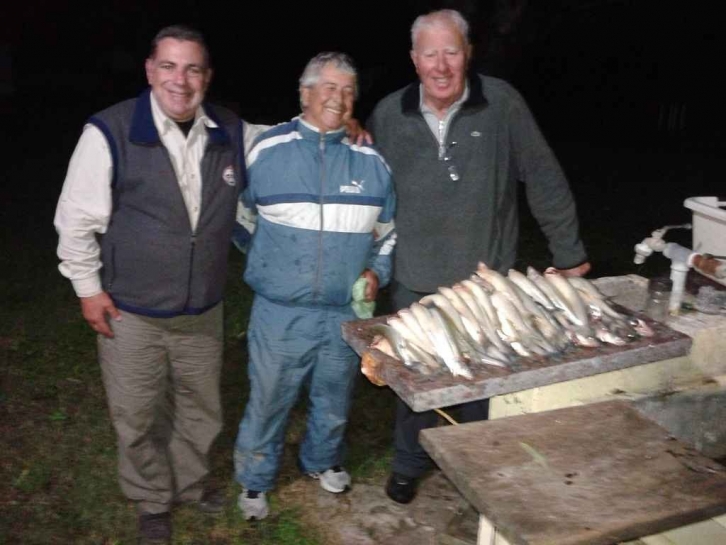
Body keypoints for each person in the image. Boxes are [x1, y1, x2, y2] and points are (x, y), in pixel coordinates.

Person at [366, 9, 591, 504]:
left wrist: (568, 251)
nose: (441, 65)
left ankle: (480, 473)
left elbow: (544, 176)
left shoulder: (502, 104)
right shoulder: (389, 113)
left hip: (486, 283)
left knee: (483, 386)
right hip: (415, 279)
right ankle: (408, 464)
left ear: (468, 53)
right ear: (414, 59)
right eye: (430, 54)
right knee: (415, 384)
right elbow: (368, 191)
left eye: (451, 51)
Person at [53, 25, 261, 544]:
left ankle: (190, 484)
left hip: (202, 308)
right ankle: (151, 499)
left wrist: (336, 120)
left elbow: (292, 137)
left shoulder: (230, 131)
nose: (180, 80)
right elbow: (75, 220)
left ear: (207, 77)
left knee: (201, 407)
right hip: (130, 311)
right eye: (168, 66)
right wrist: (87, 289)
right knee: (137, 413)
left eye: (192, 68)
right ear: (150, 70)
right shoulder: (110, 131)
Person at [231, 51, 396, 521]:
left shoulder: (371, 160)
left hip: (343, 311)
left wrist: (375, 273)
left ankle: (321, 461)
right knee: (268, 399)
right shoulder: (267, 150)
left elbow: (390, 231)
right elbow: (240, 215)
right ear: (304, 93)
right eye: (328, 86)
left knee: (335, 398)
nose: (337, 98)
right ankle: (255, 479)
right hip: (280, 310)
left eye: (347, 91)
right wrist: (270, 261)